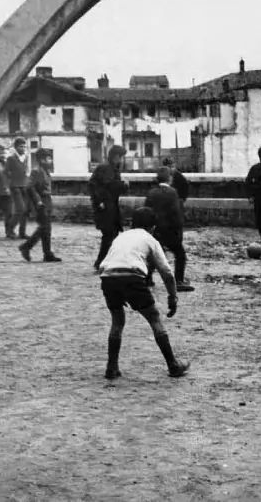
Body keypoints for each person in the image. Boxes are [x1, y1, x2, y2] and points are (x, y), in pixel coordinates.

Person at [98, 207, 190, 379]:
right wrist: (172, 296)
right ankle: (173, 364)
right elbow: (167, 273)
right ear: (152, 227)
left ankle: (111, 367)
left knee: (117, 322)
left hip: (108, 277)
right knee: (154, 318)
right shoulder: (150, 239)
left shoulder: (121, 236)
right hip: (131, 276)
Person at [144, 167, 194, 292]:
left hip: (155, 230)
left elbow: (146, 211)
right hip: (170, 230)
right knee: (180, 255)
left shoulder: (151, 192)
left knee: (154, 255)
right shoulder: (172, 192)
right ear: (169, 179)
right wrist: (178, 230)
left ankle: (147, 278)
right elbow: (175, 213)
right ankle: (178, 281)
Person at [89, 145, 129, 270]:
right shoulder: (105, 168)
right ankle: (101, 262)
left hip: (111, 206)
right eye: (121, 157)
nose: (122, 160)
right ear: (116, 157)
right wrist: (99, 201)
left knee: (112, 234)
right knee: (109, 234)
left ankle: (105, 261)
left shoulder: (111, 168)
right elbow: (101, 186)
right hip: (106, 207)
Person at [18, 148, 62, 263]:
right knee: (44, 228)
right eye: (48, 158)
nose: (50, 161)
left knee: (45, 229)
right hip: (40, 203)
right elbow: (29, 187)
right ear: (41, 160)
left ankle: (45, 253)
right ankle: (27, 247)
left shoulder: (45, 171)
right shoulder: (36, 171)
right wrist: (38, 201)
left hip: (46, 201)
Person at [5, 137, 31, 239]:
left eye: (24, 146)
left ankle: (22, 232)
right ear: (16, 147)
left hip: (25, 186)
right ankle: (10, 230)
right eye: (20, 146)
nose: (23, 148)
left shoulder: (26, 157)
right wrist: (10, 181)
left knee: (26, 210)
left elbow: (28, 171)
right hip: (15, 186)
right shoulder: (11, 158)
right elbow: (6, 172)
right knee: (21, 208)